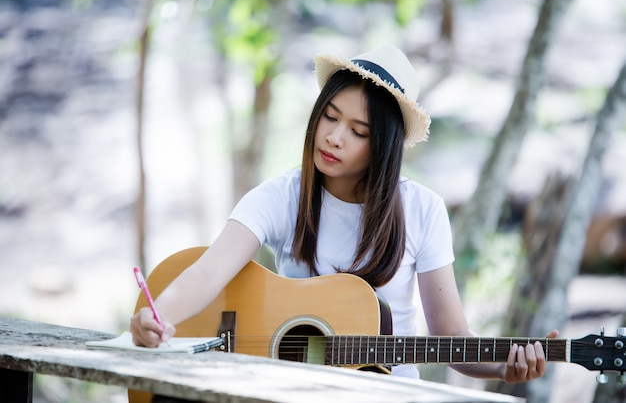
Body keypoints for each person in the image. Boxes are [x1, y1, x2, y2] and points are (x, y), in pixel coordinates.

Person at [131, 45, 558, 383]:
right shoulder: (281, 196)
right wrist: (158, 314)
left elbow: (453, 339)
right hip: (290, 392)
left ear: (383, 147)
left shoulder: (423, 210)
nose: (334, 138)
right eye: (329, 118)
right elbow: (208, 273)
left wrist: (504, 367)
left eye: (358, 132)